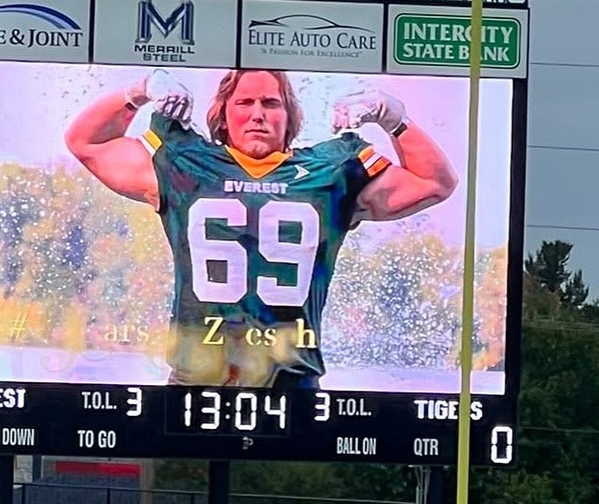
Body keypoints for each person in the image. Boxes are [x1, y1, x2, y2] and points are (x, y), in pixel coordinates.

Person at [64, 67, 457, 385]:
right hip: (196, 378)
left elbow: (434, 183)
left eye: (271, 103)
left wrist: (394, 118)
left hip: (290, 378)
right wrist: (139, 91)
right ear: (223, 114)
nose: (257, 114)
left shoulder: (329, 172)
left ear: (289, 118)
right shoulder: (187, 164)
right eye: (245, 102)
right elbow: (86, 142)